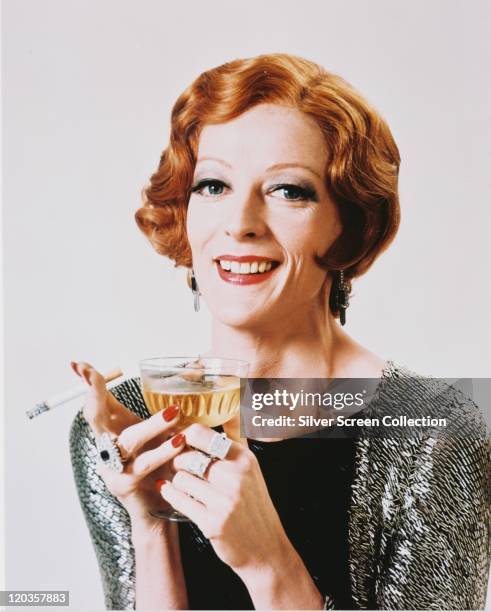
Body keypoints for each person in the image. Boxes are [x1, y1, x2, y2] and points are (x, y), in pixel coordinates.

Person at [69, 54, 489, 610]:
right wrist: (151, 526)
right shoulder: (125, 423)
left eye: (289, 190)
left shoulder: (438, 430)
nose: (240, 222)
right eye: (213, 185)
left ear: (349, 226)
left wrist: (268, 563)